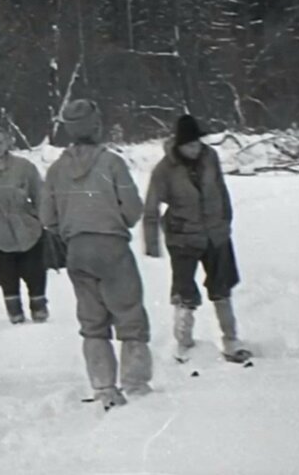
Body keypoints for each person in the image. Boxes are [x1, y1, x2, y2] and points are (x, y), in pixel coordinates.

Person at [40, 98, 152, 410]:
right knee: (130, 316)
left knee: (92, 322)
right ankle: (136, 385)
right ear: (95, 125)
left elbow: (47, 216)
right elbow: (132, 208)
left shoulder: (57, 170)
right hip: (112, 246)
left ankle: (103, 387)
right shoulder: (111, 162)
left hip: (77, 250)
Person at [144, 114, 252, 363]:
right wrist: (152, 244)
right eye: (190, 145)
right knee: (184, 293)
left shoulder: (210, 157)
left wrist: (225, 221)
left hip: (215, 234)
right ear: (179, 145)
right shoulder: (164, 169)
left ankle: (231, 340)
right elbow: (151, 207)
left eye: (198, 143)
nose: (195, 149)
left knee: (222, 288)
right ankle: (183, 345)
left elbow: (221, 189)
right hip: (183, 239)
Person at [0, 125, 48, 324]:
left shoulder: (24, 167)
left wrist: (40, 220)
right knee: (6, 273)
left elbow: (40, 194)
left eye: (0, 142)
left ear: (7, 142)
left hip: (26, 226)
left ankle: (39, 308)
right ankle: (14, 312)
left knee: (34, 270)